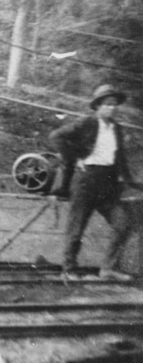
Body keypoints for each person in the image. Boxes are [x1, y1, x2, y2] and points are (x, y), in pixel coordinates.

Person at [49, 84, 135, 282]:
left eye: (114, 105)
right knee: (77, 227)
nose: (111, 108)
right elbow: (56, 137)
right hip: (86, 181)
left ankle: (107, 269)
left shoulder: (117, 128)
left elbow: (120, 157)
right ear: (97, 106)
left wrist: (131, 181)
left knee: (123, 224)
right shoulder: (87, 123)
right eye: (107, 104)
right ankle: (69, 270)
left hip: (107, 183)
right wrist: (75, 156)